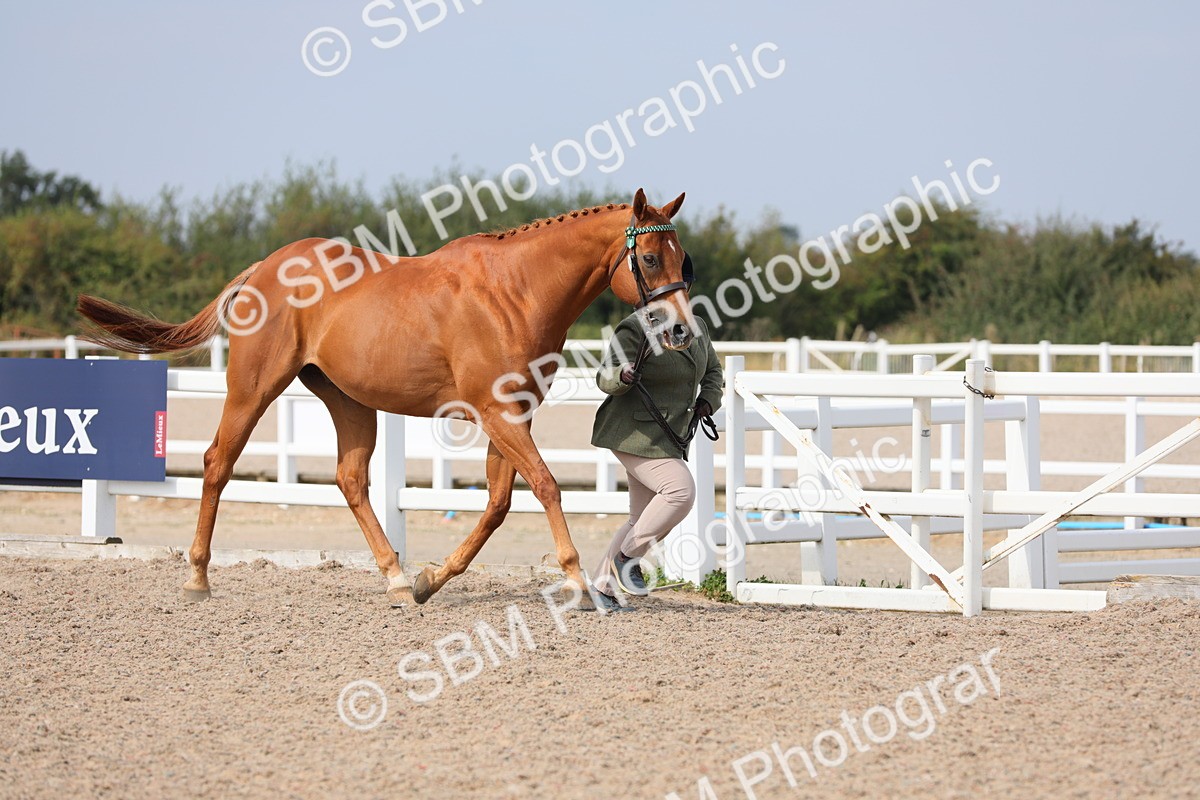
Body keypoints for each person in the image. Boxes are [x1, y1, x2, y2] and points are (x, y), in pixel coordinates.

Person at [589, 309, 723, 611]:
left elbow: (713, 371)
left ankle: (601, 589)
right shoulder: (635, 327)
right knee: (679, 492)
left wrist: (708, 399)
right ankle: (627, 558)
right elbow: (605, 375)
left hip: (667, 435)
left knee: (641, 519)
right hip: (631, 432)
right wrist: (622, 375)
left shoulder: (697, 325)